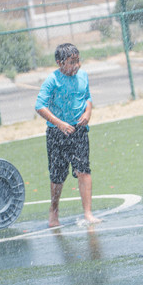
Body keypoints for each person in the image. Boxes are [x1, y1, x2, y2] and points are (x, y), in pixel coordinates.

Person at [35, 43, 101, 227]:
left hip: (79, 131)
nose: (76, 65)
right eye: (71, 62)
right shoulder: (52, 80)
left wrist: (88, 113)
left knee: (84, 170)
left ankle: (88, 213)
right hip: (57, 133)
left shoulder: (83, 75)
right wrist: (60, 123)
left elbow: (88, 97)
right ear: (59, 63)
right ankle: (54, 212)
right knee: (57, 175)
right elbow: (39, 106)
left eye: (78, 61)